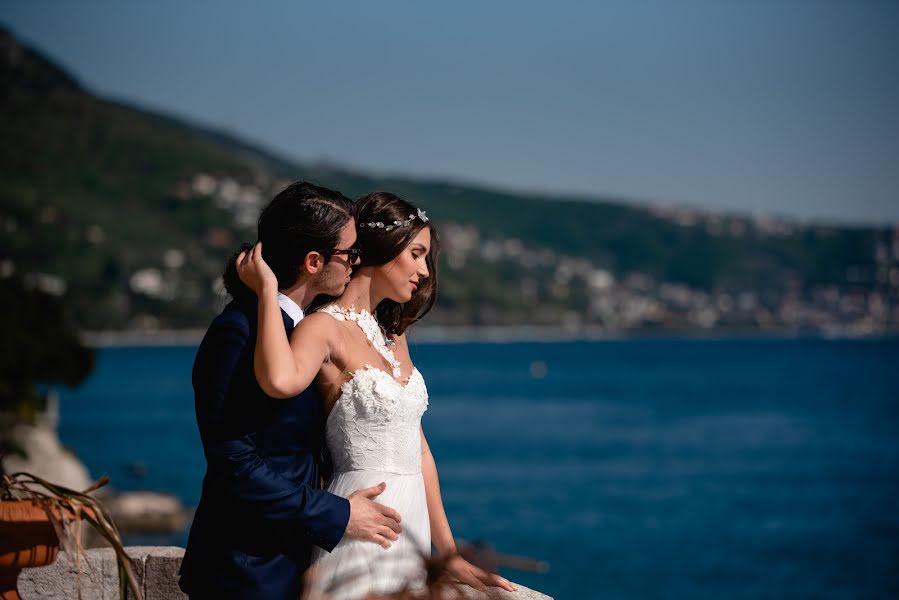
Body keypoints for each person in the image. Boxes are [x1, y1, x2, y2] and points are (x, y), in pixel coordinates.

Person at [236, 191, 516, 598]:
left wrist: (448, 552)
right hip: (362, 522)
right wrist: (266, 290)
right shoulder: (323, 328)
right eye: (416, 254)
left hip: (412, 529)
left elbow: (418, 452)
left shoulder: (395, 337)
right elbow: (279, 381)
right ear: (385, 249)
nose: (424, 270)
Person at [179, 183, 404, 600]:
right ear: (313, 262)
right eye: (350, 253)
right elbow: (235, 466)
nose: (357, 263)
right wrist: (338, 513)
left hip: (294, 563)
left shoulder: (302, 331)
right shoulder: (237, 334)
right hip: (246, 572)